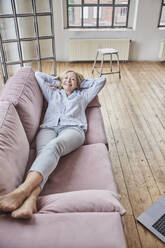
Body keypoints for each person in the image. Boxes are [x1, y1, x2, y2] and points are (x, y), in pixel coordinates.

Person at [0, 70, 106, 219]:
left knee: (55, 146)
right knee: (44, 156)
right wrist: (59, 80)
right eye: (67, 78)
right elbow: (38, 76)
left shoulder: (83, 96)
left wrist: (82, 83)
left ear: (78, 84)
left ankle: (21, 191)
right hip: (48, 128)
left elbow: (101, 81)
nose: (68, 81)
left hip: (73, 129)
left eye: (73, 80)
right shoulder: (53, 94)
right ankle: (31, 201)